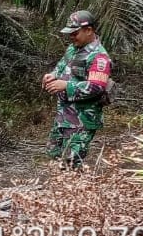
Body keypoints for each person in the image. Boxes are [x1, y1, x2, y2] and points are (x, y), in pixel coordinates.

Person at [43, 10, 113, 168]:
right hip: (64, 115)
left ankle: (74, 190)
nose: (71, 37)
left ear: (89, 30)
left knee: (71, 162)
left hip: (82, 119)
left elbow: (96, 87)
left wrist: (66, 85)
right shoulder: (73, 48)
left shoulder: (99, 57)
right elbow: (62, 65)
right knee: (54, 155)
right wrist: (53, 75)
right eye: (70, 34)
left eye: (75, 33)